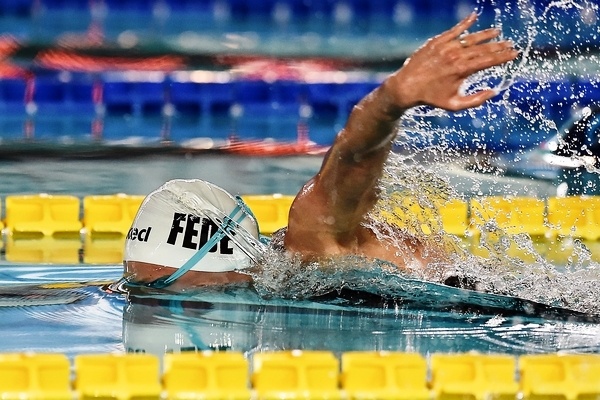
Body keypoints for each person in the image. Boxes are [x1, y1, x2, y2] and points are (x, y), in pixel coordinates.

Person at [122, 13, 519, 290]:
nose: (151, 300)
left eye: (161, 287)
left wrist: (392, 98)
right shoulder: (273, 271)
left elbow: (350, 163)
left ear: (216, 265)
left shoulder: (310, 245)